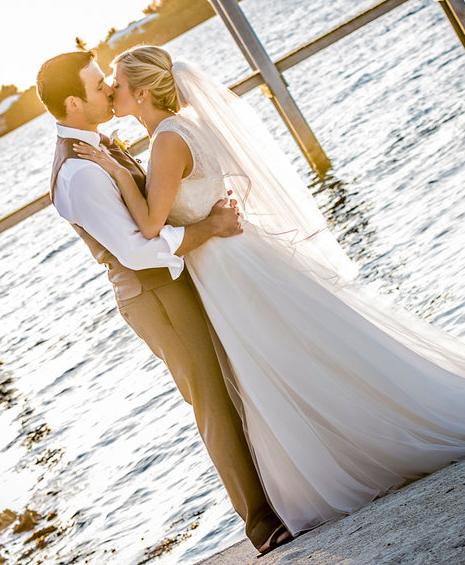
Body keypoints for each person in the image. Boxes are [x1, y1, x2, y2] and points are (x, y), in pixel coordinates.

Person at [73, 44, 465, 535]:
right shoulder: (180, 129)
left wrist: (107, 171)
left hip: (227, 268)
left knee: (286, 362)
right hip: (233, 259)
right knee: (302, 355)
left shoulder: (166, 141)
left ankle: (344, 453)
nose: (112, 95)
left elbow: (150, 226)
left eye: (118, 88)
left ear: (144, 92)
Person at [36, 51, 295, 554]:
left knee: (233, 380)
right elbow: (136, 249)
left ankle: (283, 488)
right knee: (211, 398)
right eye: (97, 86)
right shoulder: (78, 174)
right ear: (73, 102)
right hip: (153, 293)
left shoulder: (96, 149)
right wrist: (209, 227)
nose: (108, 91)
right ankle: (261, 524)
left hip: (173, 280)